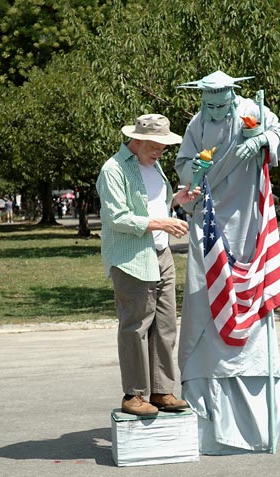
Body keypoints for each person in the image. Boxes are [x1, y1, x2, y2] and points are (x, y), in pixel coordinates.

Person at [175, 71, 280, 454]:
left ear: (232, 95)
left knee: (251, 317)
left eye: (222, 104)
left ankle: (257, 429)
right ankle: (207, 425)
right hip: (209, 224)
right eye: (209, 104)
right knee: (204, 302)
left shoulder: (253, 110)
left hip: (249, 222)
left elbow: (279, 135)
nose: (216, 111)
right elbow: (184, 167)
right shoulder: (196, 123)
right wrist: (198, 170)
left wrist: (260, 142)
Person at [96, 113, 200, 416]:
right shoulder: (113, 169)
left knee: (165, 325)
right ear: (137, 140)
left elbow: (154, 203)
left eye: (164, 147)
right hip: (131, 259)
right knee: (135, 327)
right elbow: (116, 217)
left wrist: (176, 200)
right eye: (155, 146)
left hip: (161, 254)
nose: (160, 152)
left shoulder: (153, 167)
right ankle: (134, 395)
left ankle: (162, 390)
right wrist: (161, 224)